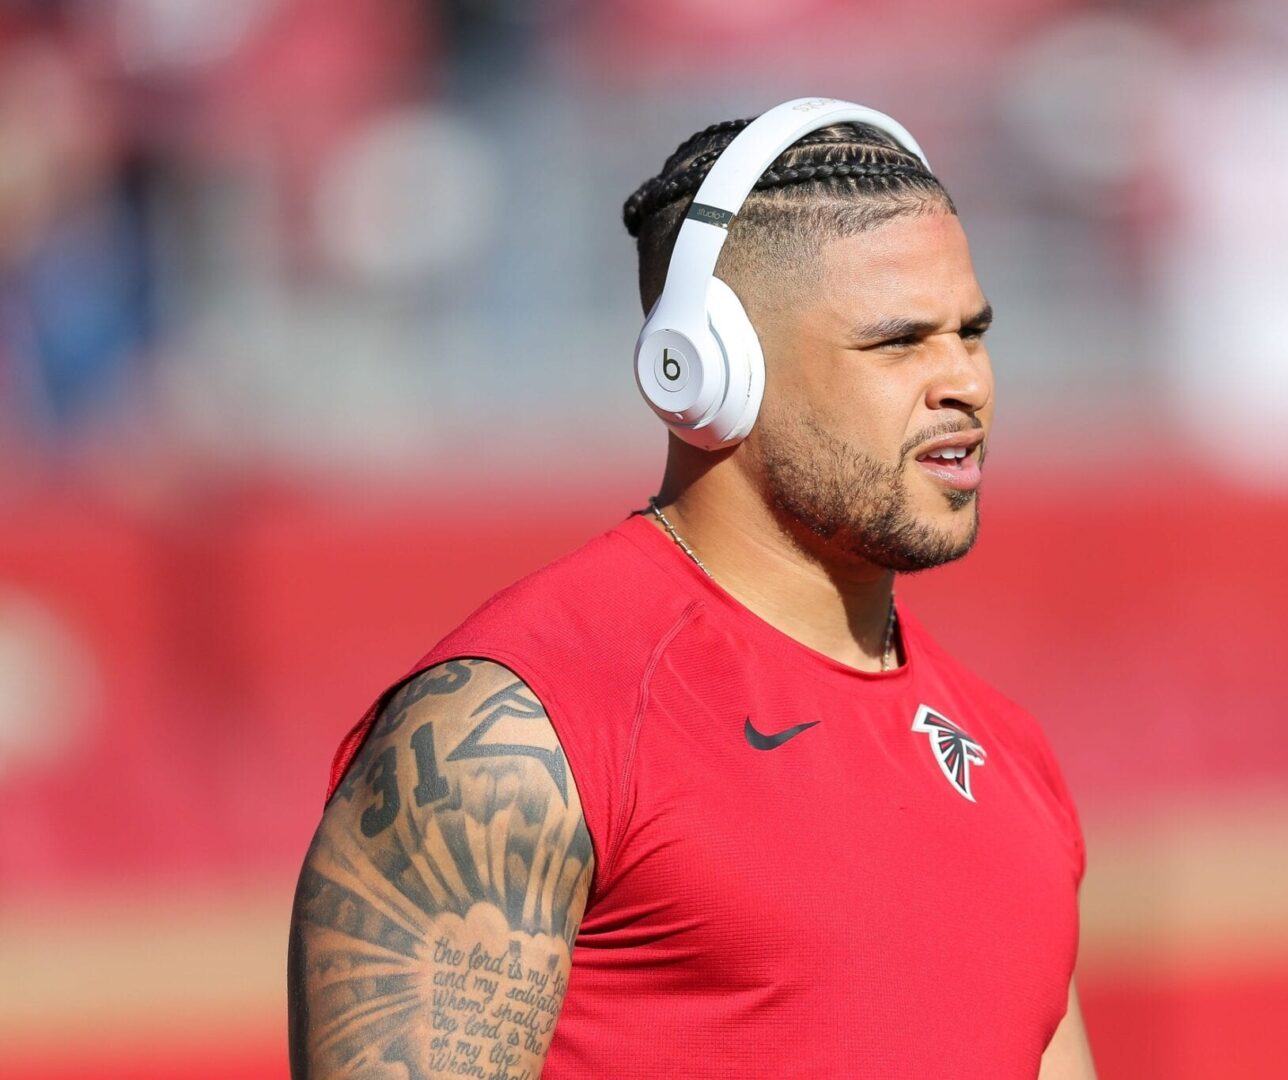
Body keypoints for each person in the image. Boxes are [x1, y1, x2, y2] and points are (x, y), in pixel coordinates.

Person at [288, 97, 1097, 1079]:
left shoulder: (1011, 754)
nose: (965, 381)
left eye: (972, 333)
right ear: (707, 369)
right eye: (899, 342)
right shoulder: (514, 735)